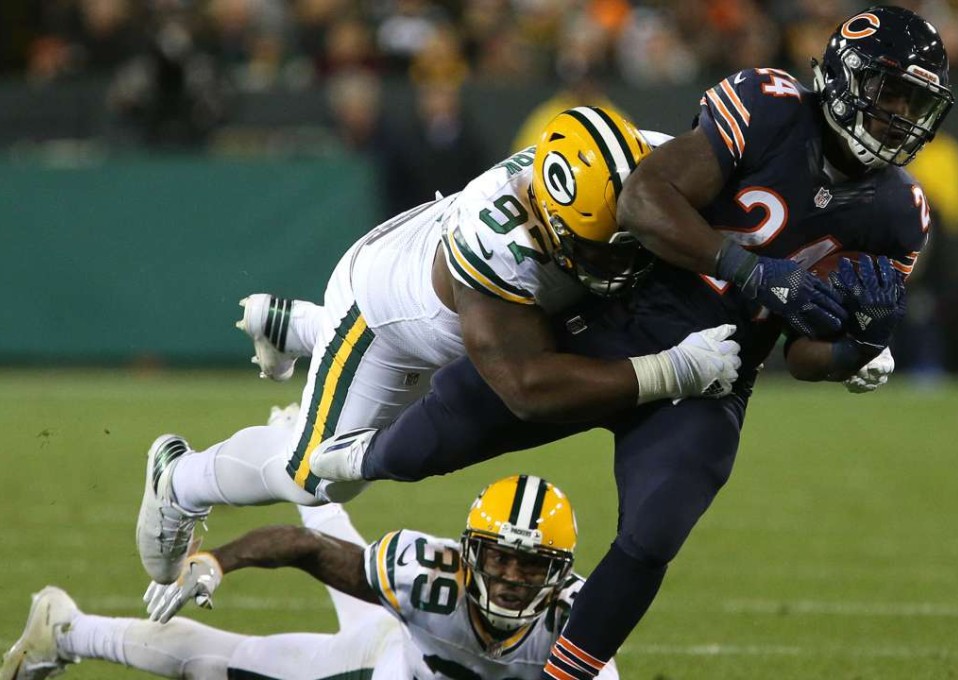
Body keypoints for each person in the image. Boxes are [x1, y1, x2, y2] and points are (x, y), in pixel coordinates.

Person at [308, 7, 955, 679]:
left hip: (717, 374)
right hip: (621, 316)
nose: (901, 115)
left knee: (655, 533)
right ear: (847, 79)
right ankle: (359, 455)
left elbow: (803, 355)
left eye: (918, 102)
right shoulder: (770, 107)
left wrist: (859, 344)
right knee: (431, 440)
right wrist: (749, 271)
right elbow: (644, 201)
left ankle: (564, 675)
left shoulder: (900, 214)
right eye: (891, 93)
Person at [135, 106, 744, 586]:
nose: (623, 255)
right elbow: (526, 388)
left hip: (443, 278)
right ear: (552, 224)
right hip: (383, 320)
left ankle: (299, 328)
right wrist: (669, 372)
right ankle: (180, 478)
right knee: (317, 477)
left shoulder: (643, 160)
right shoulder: (497, 248)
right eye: (601, 245)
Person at [4, 474, 619, 679]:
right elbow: (310, 551)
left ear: (559, 574)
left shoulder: (583, 628)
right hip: (392, 662)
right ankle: (66, 628)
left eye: (531, 563)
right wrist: (217, 561)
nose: (511, 576)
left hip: (412, 642)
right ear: (468, 556)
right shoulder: (430, 579)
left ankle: (305, 471)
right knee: (219, 662)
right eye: (498, 558)